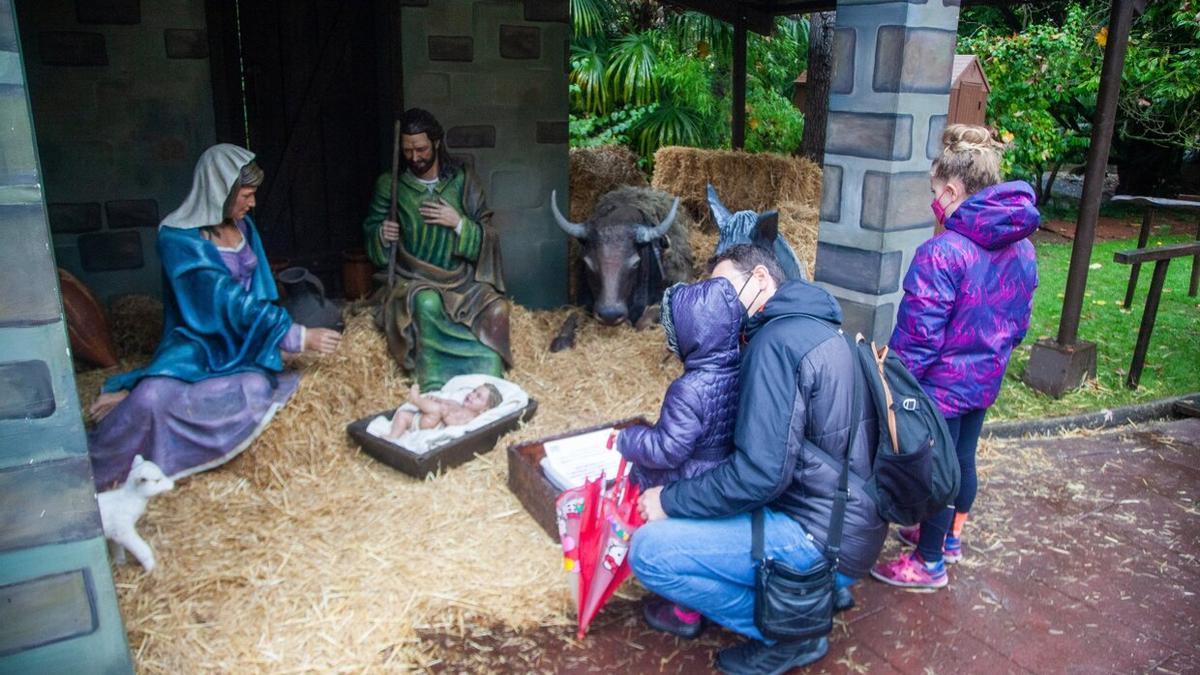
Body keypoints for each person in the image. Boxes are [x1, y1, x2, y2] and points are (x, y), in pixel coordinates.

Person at [629, 244, 886, 675]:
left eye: (723, 288)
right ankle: (816, 596)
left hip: (817, 538)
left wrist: (668, 500)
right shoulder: (818, 325)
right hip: (851, 527)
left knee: (649, 551)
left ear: (761, 279)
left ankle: (793, 629)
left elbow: (759, 475)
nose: (716, 302)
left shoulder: (774, 344)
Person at [87, 144, 341, 489]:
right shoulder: (177, 238)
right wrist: (295, 335)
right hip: (199, 342)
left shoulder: (244, 227)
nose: (252, 203)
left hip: (240, 342)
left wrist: (267, 340)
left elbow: (259, 290)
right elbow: (223, 299)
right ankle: (116, 439)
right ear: (220, 192)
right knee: (151, 397)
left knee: (255, 388)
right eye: (246, 195)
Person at [871, 124, 1039, 590]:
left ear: (951, 189)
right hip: (984, 378)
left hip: (940, 389)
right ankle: (948, 538)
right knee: (963, 459)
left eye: (935, 193)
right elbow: (1019, 324)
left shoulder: (942, 252)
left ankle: (928, 563)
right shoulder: (1023, 248)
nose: (935, 202)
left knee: (936, 468)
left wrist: (893, 381)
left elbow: (918, 337)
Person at [611, 277, 742, 638]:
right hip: (723, 471)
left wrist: (628, 440)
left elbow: (669, 449)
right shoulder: (740, 369)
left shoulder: (688, 389)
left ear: (689, 336)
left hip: (688, 477)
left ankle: (685, 610)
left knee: (657, 505)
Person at [364, 108, 511, 391]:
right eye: (407, 151)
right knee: (427, 303)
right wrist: (382, 233)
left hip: (461, 279)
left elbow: (489, 233)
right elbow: (372, 232)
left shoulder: (463, 181)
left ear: (436, 143)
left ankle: (486, 373)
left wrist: (459, 224)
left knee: (497, 308)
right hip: (414, 277)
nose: (414, 157)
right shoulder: (391, 185)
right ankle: (434, 381)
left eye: (421, 149)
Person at [387, 382, 503, 436]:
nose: (472, 395)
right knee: (402, 415)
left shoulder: (470, 417)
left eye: (478, 397)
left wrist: (446, 415)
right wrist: (436, 399)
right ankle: (392, 437)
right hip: (419, 419)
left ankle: (416, 400)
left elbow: (457, 425)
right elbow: (444, 401)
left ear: (483, 410)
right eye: (474, 391)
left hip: (431, 424)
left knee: (438, 409)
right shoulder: (456, 404)